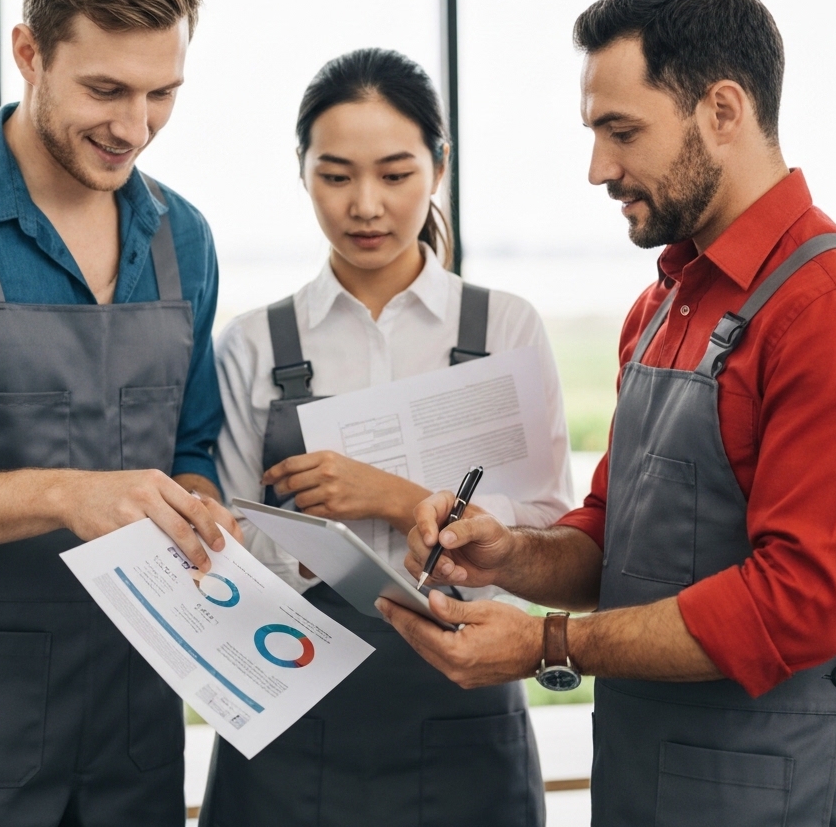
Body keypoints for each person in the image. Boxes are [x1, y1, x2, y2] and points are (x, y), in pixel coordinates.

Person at [381, 0, 836, 826]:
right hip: (643, 780)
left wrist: (547, 644)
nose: (599, 167)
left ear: (723, 111)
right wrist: (511, 555)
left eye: (621, 130)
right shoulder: (661, 303)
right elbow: (616, 535)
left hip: (783, 788)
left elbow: (800, 607)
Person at [0, 0, 241, 826]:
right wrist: (66, 495)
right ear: (29, 52)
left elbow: (193, 442)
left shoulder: (184, 238)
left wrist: (201, 507)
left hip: (133, 722)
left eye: (161, 93)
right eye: (106, 89)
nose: (134, 127)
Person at [203, 47, 573, 827]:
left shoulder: (503, 328)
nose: (364, 204)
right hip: (286, 720)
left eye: (395, 174)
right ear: (301, 171)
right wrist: (294, 551)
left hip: (463, 720)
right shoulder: (253, 345)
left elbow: (550, 536)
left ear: (439, 168)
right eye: (335, 176)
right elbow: (227, 544)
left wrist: (392, 499)